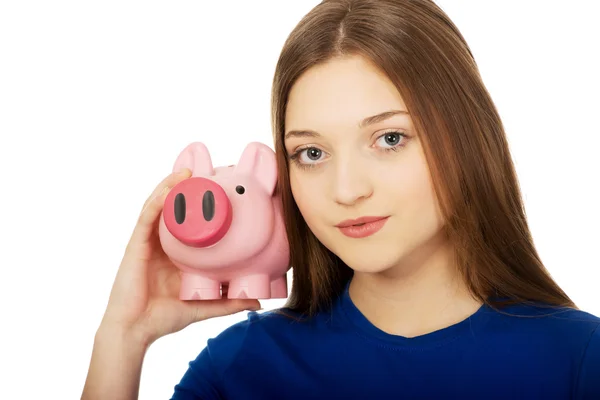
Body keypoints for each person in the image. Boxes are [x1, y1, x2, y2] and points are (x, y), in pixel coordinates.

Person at [81, 0, 600, 399]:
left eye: (389, 139)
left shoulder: (578, 359)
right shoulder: (241, 366)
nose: (346, 190)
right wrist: (122, 337)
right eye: (310, 152)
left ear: (465, 136)